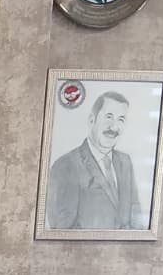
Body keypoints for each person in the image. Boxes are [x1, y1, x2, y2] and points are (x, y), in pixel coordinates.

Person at [44, 90, 144, 229]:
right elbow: (61, 231)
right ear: (92, 120)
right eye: (108, 117)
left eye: (121, 119)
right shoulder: (65, 166)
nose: (114, 127)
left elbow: (137, 217)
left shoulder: (125, 162)